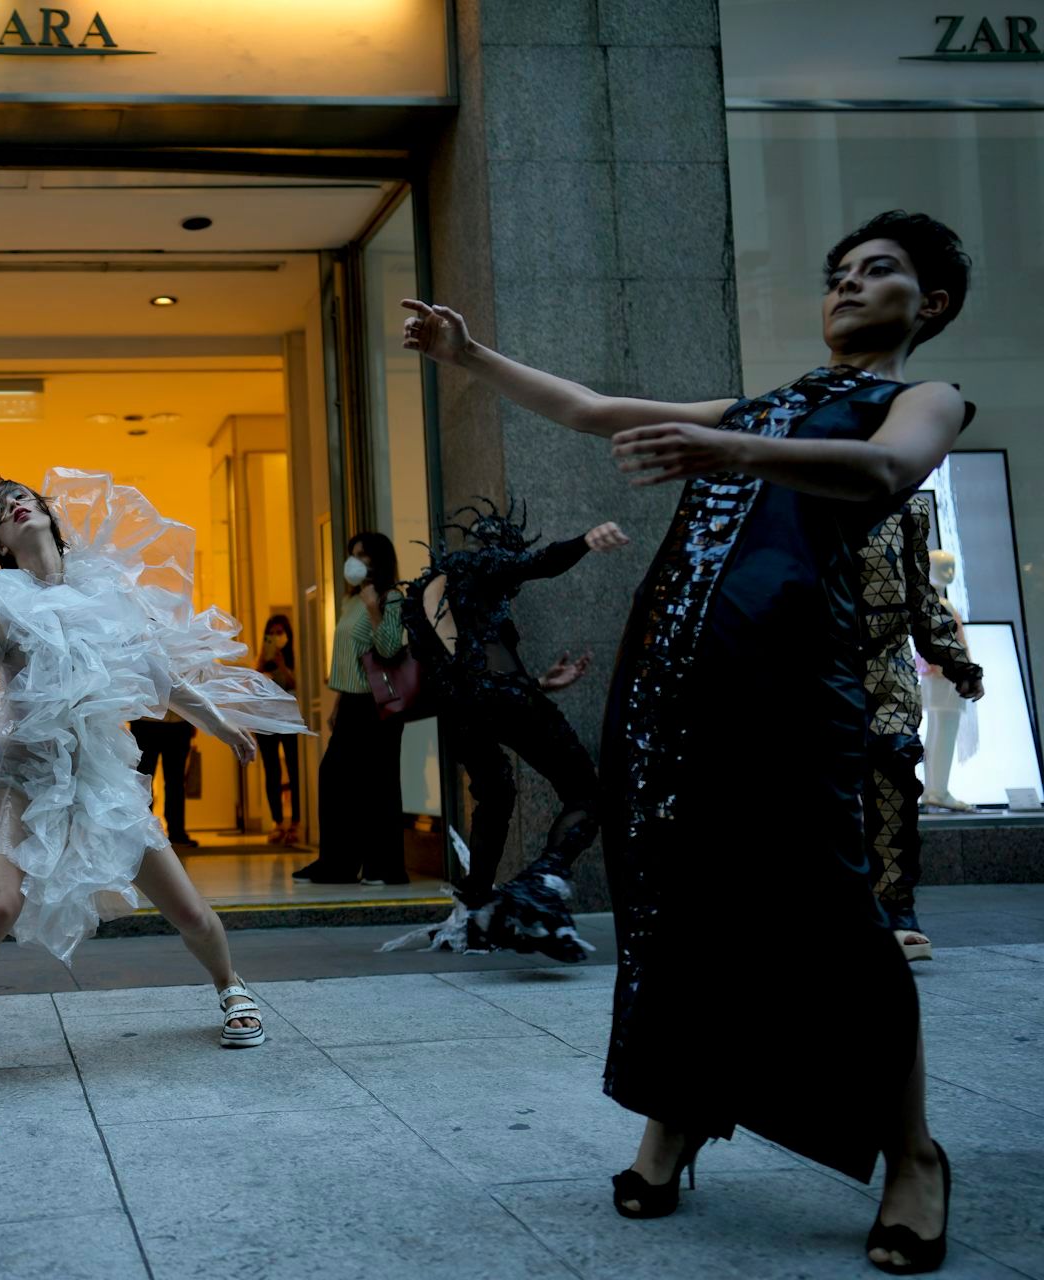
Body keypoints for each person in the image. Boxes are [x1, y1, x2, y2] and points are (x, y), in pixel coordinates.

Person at [402, 208, 969, 1274]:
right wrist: (471, 355)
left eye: (877, 272)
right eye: (838, 271)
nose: (847, 285)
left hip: (796, 683)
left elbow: (889, 473)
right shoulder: (765, 404)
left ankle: (913, 1155)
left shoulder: (914, 396)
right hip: (669, 679)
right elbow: (588, 407)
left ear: (928, 304)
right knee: (673, 906)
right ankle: (677, 1120)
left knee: (839, 916)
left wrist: (727, 444)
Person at [0, 470, 308, 1098]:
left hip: (98, 773)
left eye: (20, 498)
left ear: (45, 513)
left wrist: (221, 723)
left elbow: (160, 676)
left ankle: (231, 988)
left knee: (186, 909)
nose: (12, 506)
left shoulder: (106, 591)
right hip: (21, 774)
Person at [398, 502, 630, 961]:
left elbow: (468, 666)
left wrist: (540, 682)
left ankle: (475, 905)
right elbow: (537, 563)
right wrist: (586, 540)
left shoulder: (433, 592)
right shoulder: (486, 562)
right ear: (500, 549)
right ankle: (542, 882)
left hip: (463, 712)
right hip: (502, 701)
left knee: (496, 796)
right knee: (587, 792)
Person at [858, 498, 984, 961]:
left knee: (894, 763)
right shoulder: (796, 488)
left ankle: (895, 908)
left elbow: (919, 592)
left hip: (886, 665)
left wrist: (955, 661)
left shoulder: (904, 505)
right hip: (818, 664)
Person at [295, 532, 409, 885]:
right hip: (352, 702)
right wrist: (337, 702)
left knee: (378, 784)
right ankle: (337, 862)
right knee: (335, 780)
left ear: (379, 560)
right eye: (352, 554)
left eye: (362, 554)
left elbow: (389, 649)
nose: (355, 560)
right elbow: (350, 658)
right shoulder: (350, 601)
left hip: (377, 706)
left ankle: (384, 866)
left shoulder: (391, 598)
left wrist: (376, 610)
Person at [255, 614, 302, 846]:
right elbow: (255, 683)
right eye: (271, 633)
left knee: (294, 768)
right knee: (271, 769)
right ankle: (277, 822)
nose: (276, 637)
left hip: (289, 717)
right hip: (266, 716)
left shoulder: (296, 655)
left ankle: (296, 822)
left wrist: (283, 666)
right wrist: (263, 660)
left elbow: (296, 684)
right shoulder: (264, 656)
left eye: (280, 632)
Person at [131, 712, 198, 847]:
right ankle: (144, 831)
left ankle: (175, 832)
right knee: (145, 780)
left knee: (175, 782)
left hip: (174, 723)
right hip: (148, 721)